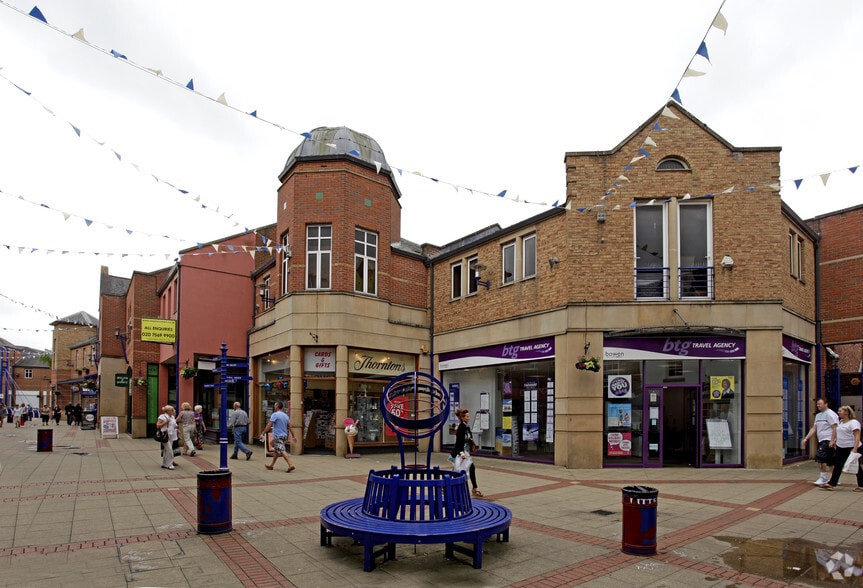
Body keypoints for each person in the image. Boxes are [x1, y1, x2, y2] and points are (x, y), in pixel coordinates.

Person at [821, 405, 861, 491]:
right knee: (838, 465)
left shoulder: (853, 422)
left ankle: (861, 485)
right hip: (841, 447)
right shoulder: (841, 422)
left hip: (851, 447)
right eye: (838, 411)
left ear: (847, 412)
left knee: (856, 467)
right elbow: (839, 433)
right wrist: (834, 441)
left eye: (840, 411)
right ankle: (831, 483)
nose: (838, 412)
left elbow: (857, 435)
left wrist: (855, 448)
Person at [802, 397, 839, 486]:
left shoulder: (830, 414)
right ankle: (834, 479)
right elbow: (814, 428)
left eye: (820, 404)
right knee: (830, 461)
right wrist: (806, 438)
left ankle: (823, 478)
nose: (818, 405)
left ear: (826, 404)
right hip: (822, 440)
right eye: (817, 404)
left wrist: (832, 440)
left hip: (827, 440)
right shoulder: (818, 416)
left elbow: (835, 427)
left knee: (820, 458)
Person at [449, 408, 483, 497]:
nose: (469, 418)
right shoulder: (461, 427)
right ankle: (474, 488)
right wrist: (461, 453)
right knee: (465, 469)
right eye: (467, 416)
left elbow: (469, 438)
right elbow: (459, 442)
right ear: (462, 418)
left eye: (469, 416)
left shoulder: (466, 427)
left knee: (458, 470)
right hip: (462, 453)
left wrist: (472, 444)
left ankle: (446, 486)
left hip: (465, 452)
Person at [259, 401, 296, 472]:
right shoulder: (286, 416)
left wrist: (263, 433)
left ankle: (290, 465)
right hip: (284, 436)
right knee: (276, 450)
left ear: (277, 406)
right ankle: (271, 465)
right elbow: (290, 427)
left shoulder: (275, 415)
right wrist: (293, 436)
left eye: (275, 406)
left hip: (278, 436)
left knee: (282, 450)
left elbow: (269, 425)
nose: (274, 407)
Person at [156, 405, 178, 469]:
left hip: (172, 435)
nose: (173, 411)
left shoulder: (173, 417)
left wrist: (177, 428)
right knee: (170, 450)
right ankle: (169, 464)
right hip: (165, 435)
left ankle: (164, 463)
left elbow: (174, 425)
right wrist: (165, 422)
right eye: (172, 410)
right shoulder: (162, 417)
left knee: (166, 450)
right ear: (167, 411)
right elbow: (158, 425)